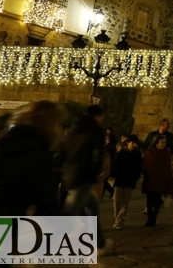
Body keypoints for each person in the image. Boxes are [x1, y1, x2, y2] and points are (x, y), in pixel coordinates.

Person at [0, 100, 64, 219]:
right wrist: (65, 224)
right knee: (1, 237)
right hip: (2, 218)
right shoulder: (36, 152)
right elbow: (44, 197)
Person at [62, 105, 110, 250]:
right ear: (96, 116)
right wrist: (95, 173)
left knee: (93, 208)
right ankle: (40, 247)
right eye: (100, 117)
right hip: (82, 177)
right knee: (68, 215)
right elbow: (98, 154)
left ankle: (100, 242)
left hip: (70, 174)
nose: (101, 119)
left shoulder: (74, 129)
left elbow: (64, 149)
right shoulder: (95, 130)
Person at [141, 134, 173, 226]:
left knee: (157, 201)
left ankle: (153, 219)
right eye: (162, 142)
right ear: (156, 143)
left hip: (161, 180)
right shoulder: (150, 151)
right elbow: (146, 163)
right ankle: (149, 219)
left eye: (164, 142)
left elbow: (167, 167)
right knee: (149, 201)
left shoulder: (166, 153)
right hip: (150, 180)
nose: (164, 144)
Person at [111, 134, 142, 229]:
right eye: (133, 143)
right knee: (116, 200)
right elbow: (115, 164)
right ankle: (117, 218)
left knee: (125, 202)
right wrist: (114, 174)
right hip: (120, 179)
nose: (134, 145)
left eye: (135, 143)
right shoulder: (121, 153)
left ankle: (119, 220)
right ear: (128, 143)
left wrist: (136, 176)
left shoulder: (137, 154)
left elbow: (139, 167)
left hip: (130, 180)